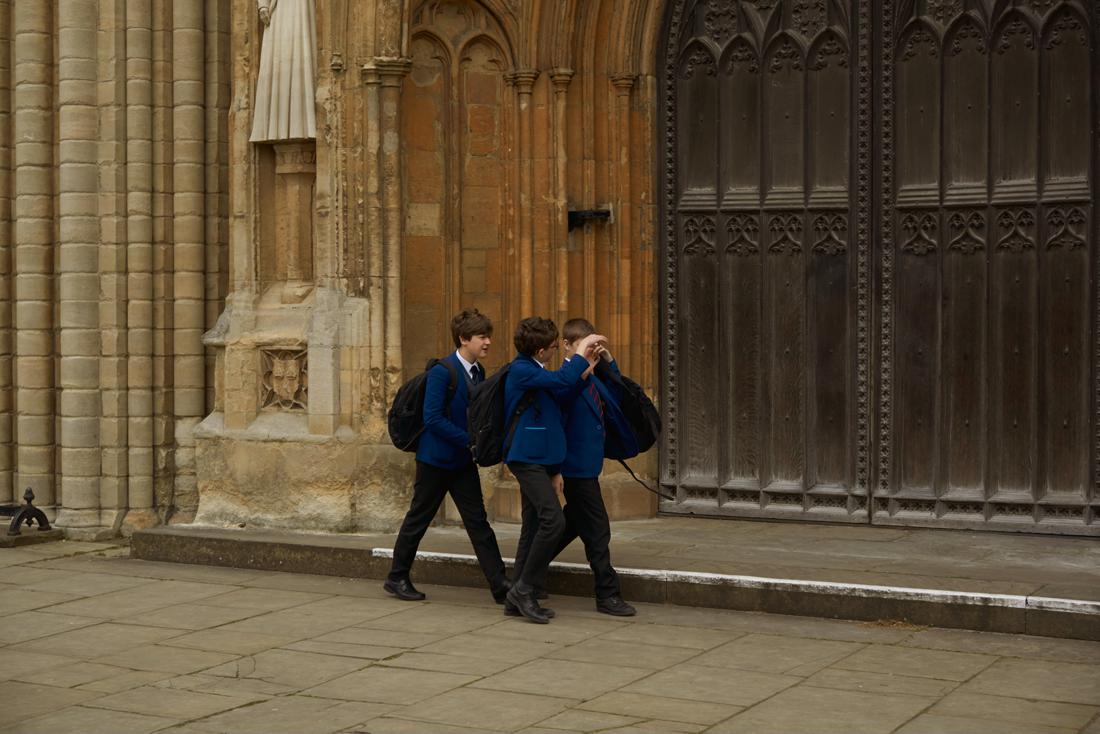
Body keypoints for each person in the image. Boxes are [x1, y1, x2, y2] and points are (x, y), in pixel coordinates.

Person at [384, 309, 510, 604]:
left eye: (488, 336)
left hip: (462, 462)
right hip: (435, 461)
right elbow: (432, 418)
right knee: (419, 518)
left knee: (478, 523)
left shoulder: (478, 371)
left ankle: (500, 585)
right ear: (464, 339)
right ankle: (396, 577)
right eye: (482, 337)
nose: (488, 342)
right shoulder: (443, 371)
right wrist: (470, 441)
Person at [503, 317, 605, 623]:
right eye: (550, 346)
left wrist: (555, 468)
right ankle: (524, 589)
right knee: (553, 520)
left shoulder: (537, 370)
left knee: (533, 525)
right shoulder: (522, 369)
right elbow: (562, 382)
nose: (551, 351)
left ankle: (517, 597)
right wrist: (580, 351)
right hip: (525, 457)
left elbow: (559, 399)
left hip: (542, 459)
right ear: (541, 349)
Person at [554, 319, 636, 616]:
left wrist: (609, 361)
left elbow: (618, 394)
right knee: (598, 530)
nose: (590, 351)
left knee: (567, 526)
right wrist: (556, 469)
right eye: (582, 344)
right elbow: (559, 413)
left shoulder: (594, 377)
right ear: (567, 345)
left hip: (590, 465)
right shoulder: (564, 377)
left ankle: (527, 576)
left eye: (593, 344)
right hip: (574, 468)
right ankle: (607, 594)